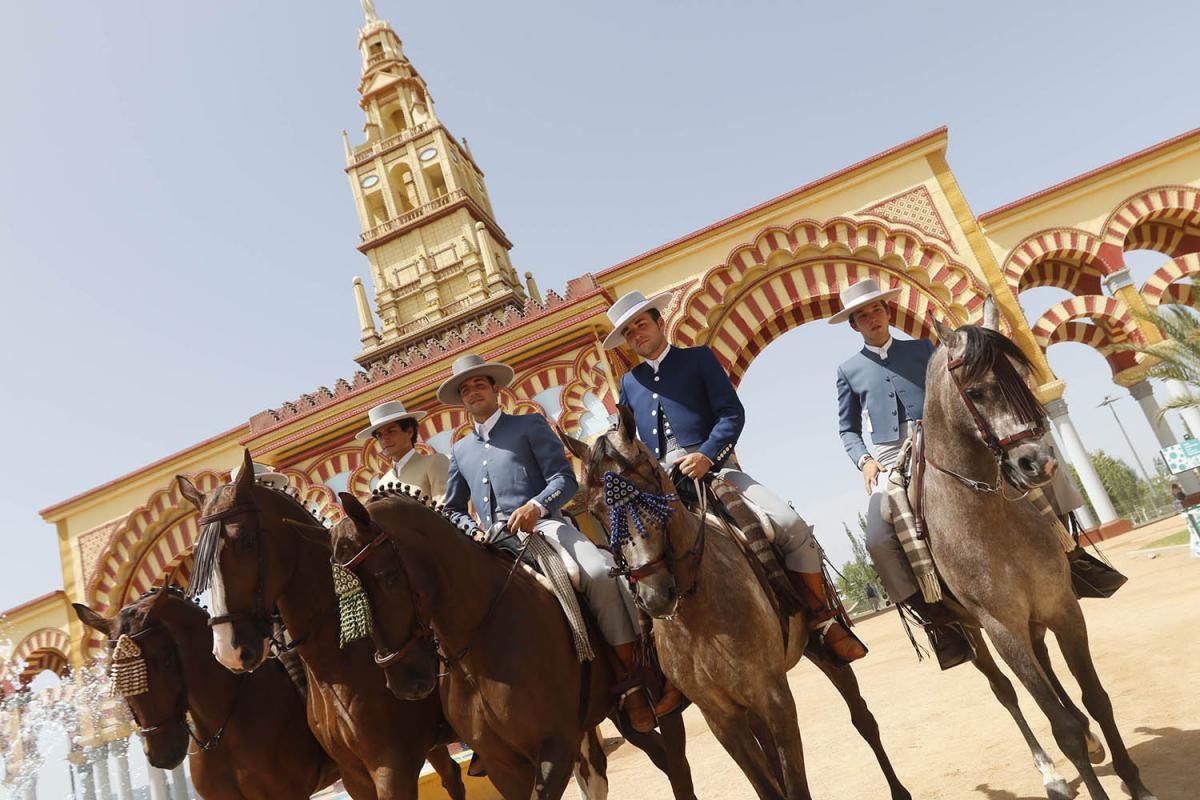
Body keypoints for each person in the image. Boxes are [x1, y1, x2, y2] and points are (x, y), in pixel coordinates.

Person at [604, 290, 867, 663]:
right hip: (661, 490)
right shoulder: (629, 383)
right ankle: (660, 666)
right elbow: (628, 443)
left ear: (659, 323)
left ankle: (820, 618)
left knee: (789, 524)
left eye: (641, 325)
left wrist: (707, 455)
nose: (636, 335)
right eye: (629, 332)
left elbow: (731, 414)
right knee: (637, 563)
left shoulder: (697, 360)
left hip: (714, 470)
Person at [438, 353, 665, 732]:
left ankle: (631, 682)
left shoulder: (529, 425)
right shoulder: (459, 450)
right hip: (488, 542)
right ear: (462, 401)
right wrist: (470, 530)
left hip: (542, 528)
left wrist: (535, 506)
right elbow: (452, 509)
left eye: (480, 384)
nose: (473, 392)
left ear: (496, 389)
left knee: (598, 574)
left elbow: (565, 480)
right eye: (466, 389)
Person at [831, 278, 974, 669]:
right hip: (892, 455)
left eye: (876, 310)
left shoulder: (924, 349)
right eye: (862, 315)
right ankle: (937, 622)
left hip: (939, 436)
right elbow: (847, 428)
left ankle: (1071, 553)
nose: (872, 318)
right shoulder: (848, 370)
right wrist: (865, 460)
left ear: (887, 312)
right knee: (878, 539)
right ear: (854, 325)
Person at [356, 400, 450, 504]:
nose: (384, 439)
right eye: (379, 435)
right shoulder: (383, 484)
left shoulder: (434, 462)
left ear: (409, 432)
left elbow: (447, 508)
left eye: (391, 431)